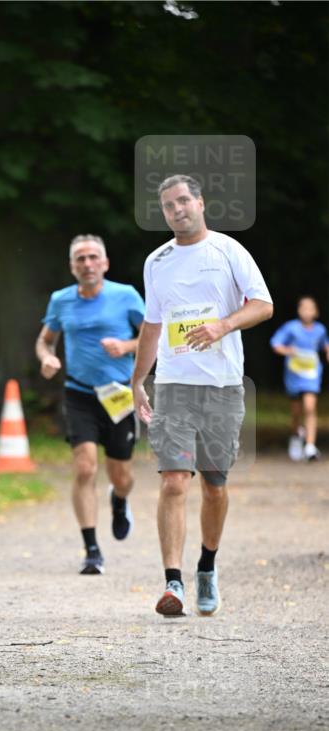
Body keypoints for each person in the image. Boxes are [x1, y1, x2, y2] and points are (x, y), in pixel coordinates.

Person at [132, 174, 273, 617]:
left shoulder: (228, 251)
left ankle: (206, 568)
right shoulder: (157, 261)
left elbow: (263, 304)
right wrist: (138, 380)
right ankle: (173, 583)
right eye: (168, 205)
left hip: (222, 386)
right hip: (173, 385)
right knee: (174, 480)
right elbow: (152, 325)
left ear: (200, 203)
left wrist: (223, 325)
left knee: (215, 485)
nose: (176, 210)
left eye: (183, 201)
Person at [36, 234, 145, 574]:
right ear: (72, 267)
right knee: (84, 468)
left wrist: (126, 347)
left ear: (105, 263)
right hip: (78, 393)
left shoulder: (125, 295)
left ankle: (120, 499)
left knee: (121, 475)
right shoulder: (61, 300)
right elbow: (45, 341)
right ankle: (92, 549)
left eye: (93, 257)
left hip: (118, 395)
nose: (87, 263)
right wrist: (46, 358)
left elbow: (152, 339)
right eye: (80, 259)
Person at [270, 296, 328, 462]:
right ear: (298, 310)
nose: (307, 311)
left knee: (310, 406)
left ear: (316, 312)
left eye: (310, 308)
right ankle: (296, 436)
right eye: (303, 308)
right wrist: (289, 351)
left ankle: (310, 446)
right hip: (294, 373)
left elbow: (325, 345)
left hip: (312, 373)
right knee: (296, 412)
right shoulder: (291, 328)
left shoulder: (320, 329)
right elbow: (276, 344)